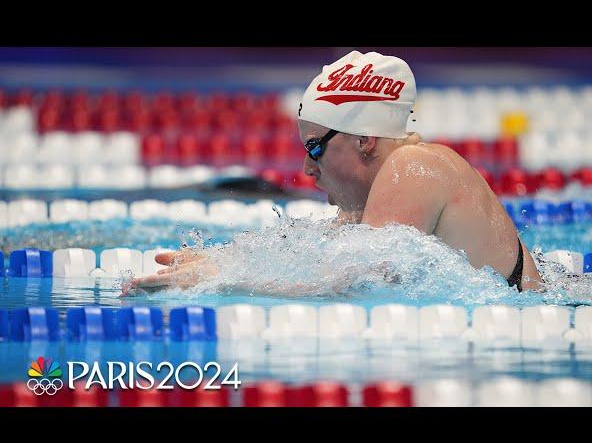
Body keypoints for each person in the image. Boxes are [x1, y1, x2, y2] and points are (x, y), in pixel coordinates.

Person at [123, 50, 543, 296]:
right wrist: (221, 259)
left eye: (315, 148)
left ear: (365, 140)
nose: (307, 169)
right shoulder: (371, 200)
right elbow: (313, 260)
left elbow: (350, 284)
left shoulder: (415, 167)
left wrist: (224, 280)